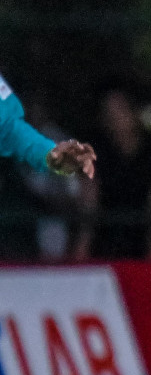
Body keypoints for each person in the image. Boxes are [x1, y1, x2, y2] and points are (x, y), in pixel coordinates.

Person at [75, 84, 151, 261]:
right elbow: (90, 197)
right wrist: (82, 248)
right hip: (105, 241)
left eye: (120, 109)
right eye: (108, 112)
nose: (114, 117)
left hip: (143, 244)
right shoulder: (95, 150)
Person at [0, 78, 94, 252]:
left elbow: (72, 191)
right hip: (22, 215)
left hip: (53, 217)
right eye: (28, 106)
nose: (32, 112)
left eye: (36, 107)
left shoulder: (57, 141)